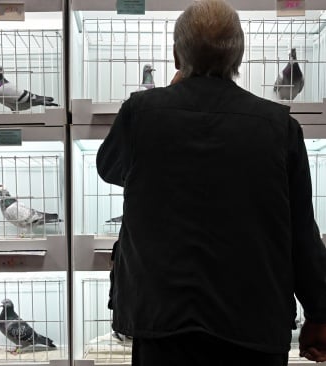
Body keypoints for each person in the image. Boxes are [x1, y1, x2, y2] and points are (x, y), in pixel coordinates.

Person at [96, 0, 326, 364]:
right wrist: (319, 313)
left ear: (176, 55)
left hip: (162, 323)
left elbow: (109, 169)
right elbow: (301, 234)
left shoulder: (141, 113)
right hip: (252, 326)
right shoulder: (279, 127)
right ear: (239, 57)